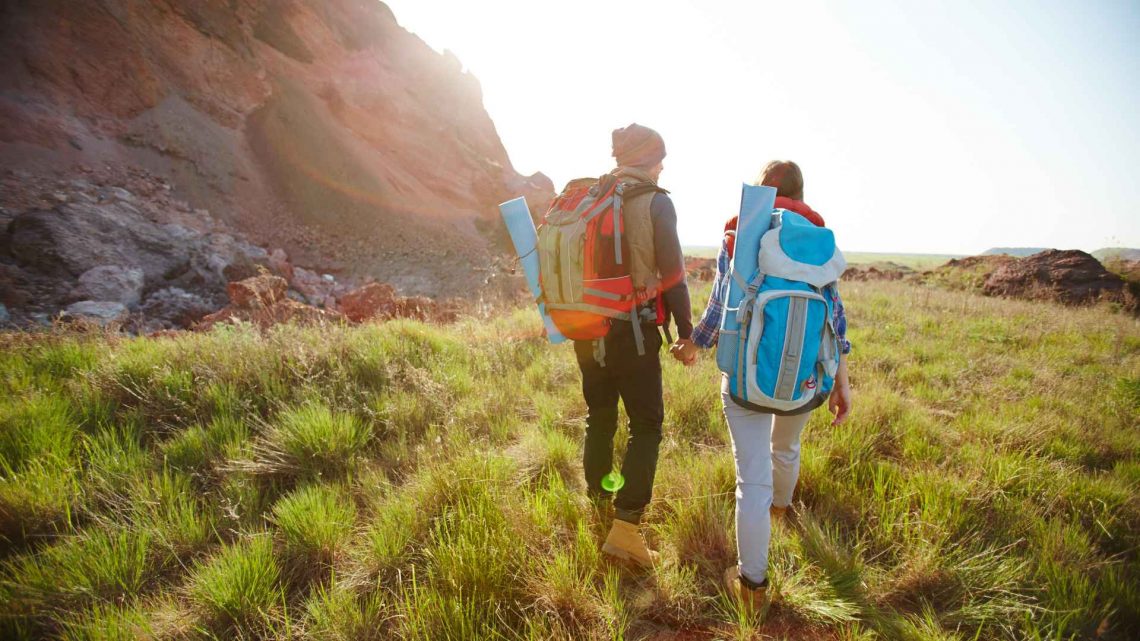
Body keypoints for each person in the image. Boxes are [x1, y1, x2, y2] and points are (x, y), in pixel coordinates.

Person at [671, 160, 853, 610]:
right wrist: (841, 383)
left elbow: (721, 305)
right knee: (786, 448)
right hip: (805, 379)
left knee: (750, 480)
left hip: (745, 381)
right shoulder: (818, 242)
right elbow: (835, 320)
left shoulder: (743, 231)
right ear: (800, 193)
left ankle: (752, 584)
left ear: (763, 190)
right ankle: (781, 510)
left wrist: (694, 345)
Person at [578, 123, 693, 568]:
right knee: (646, 426)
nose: (663, 167)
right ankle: (625, 529)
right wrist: (686, 333)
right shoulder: (655, 202)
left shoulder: (591, 199)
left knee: (599, 418)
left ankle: (598, 508)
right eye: (660, 159)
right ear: (648, 160)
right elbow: (674, 275)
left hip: (588, 330)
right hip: (635, 332)